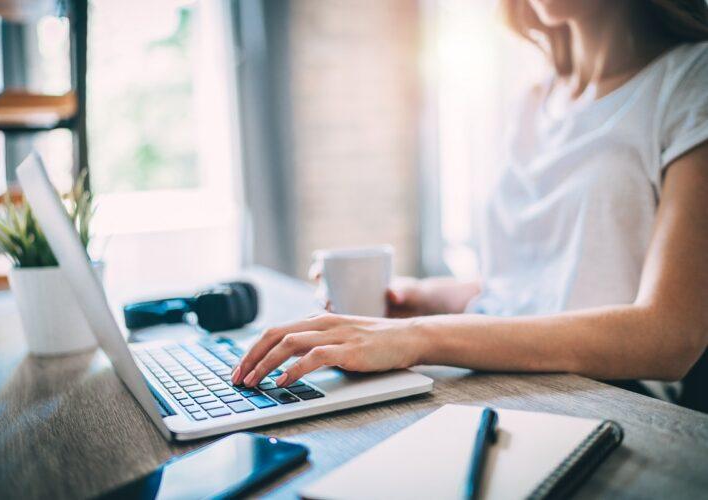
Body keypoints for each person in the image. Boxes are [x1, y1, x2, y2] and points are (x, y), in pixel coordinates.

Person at [232, 0, 708, 402]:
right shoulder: (532, 101)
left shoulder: (691, 81)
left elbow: (669, 337)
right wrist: (420, 298)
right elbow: (528, 291)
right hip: (500, 382)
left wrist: (415, 337)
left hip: (613, 399)